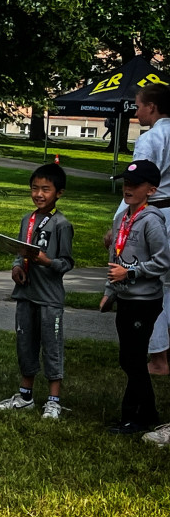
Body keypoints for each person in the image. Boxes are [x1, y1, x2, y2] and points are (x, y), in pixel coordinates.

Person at [0, 164, 74, 419]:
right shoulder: (27, 219)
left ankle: (53, 400)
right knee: (25, 345)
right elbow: (21, 250)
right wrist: (17, 267)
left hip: (49, 298)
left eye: (45, 189)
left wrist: (48, 262)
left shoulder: (61, 224)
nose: (39, 194)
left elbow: (66, 262)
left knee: (51, 347)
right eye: (35, 188)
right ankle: (25, 396)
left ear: (59, 193)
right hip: (25, 294)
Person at [99, 160, 170, 437]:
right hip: (125, 298)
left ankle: (136, 416)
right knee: (128, 358)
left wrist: (130, 273)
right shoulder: (121, 219)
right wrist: (109, 292)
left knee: (134, 359)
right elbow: (114, 260)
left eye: (135, 185)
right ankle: (145, 412)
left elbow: (162, 262)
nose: (128, 189)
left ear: (151, 190)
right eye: (126, 183)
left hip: (145, 301)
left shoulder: (152, 220)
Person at [125, 83, 170, 375]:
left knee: (153, 285)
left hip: (155, 213)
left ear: (151, 107)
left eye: (138, 106)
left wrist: (122, 220)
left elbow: (137, 183)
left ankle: (158, 358)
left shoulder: (151, 138)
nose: (136, 111)